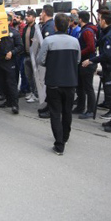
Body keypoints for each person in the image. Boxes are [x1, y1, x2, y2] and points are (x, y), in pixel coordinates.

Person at [37, 14, 81, 155]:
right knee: (67, 111)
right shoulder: (75, 41)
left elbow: (40, 60)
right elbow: (78, 60)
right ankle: (65, 137)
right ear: (68, 25)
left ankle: (59, 144)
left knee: (55, 113)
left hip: (53, 82)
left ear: (55, 26)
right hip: (70, 82)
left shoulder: (48, 41)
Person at [81, 12, 111, 133]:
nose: (98, 22)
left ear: (104, 21)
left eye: (99, 19)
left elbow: (106, 55)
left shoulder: (110, 36)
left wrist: (90, 60)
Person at [0, 24, 23, 114]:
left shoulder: (14, 32)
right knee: (2, 83)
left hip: (10, 62)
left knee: (11, 84)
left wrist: (12, 52)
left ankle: (15, 105)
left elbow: (20, 46)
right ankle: (8, 101)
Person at [75, 11, 98, 118]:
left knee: (88, 87)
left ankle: (90, 110)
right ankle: (80, 107)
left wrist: (79, 53)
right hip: (82, 62)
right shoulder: (85, 30)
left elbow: (91, 47)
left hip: (87, 63)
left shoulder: (87, 31)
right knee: (80, 86)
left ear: (80, 19)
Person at [37, 4, 55, 118]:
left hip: (50, 61)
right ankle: (48, 105)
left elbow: (49, 45)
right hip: (48, 61)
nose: (40, 15)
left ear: (44, 13)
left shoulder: (49, 26)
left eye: (41, 12)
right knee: (48, 85)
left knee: (51, 86)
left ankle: (51, 109)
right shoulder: (47, 25)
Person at [22, 10, 39, 103]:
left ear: (33, 17)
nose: (26, 17)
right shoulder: (25, 28)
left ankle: (36, 94)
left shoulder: (37, 28)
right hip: (26, 55)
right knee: (29, 76)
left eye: (29, 16)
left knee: (35, 77)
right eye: (26, 16)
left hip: (34, 56)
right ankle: (32, 92)